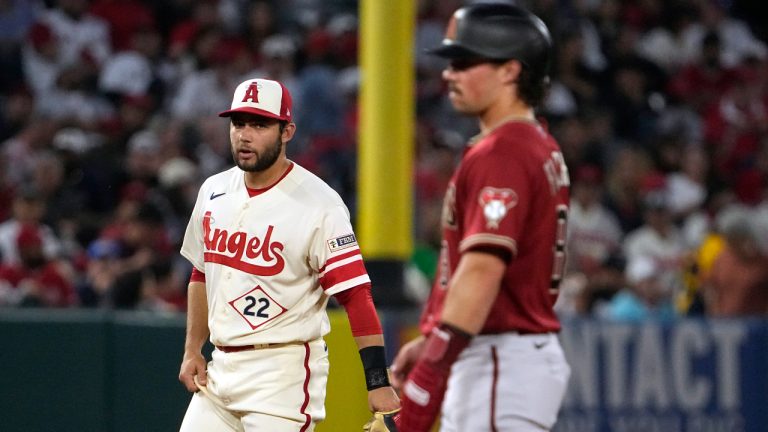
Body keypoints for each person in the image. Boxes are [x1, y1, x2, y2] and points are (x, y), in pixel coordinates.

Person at [177, 77, 399, 431]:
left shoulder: (320, 204)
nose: (245, 134)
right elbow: (201, 273)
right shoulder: (213, 189)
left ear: (287, 131)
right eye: (239, 123)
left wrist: (377, 380)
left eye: (260, 124)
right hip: (220, 372)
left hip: (283, 374)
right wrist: (193, 348)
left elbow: (356, 294)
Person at [390, 4, 571, 431]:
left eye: (465, 61)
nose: (449, 73)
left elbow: (483, 270)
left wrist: (433, 367)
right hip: (503, 355)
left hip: (496, 360)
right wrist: (435, 341)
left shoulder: (504, 151)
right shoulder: (534, 142)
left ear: (510, 70)